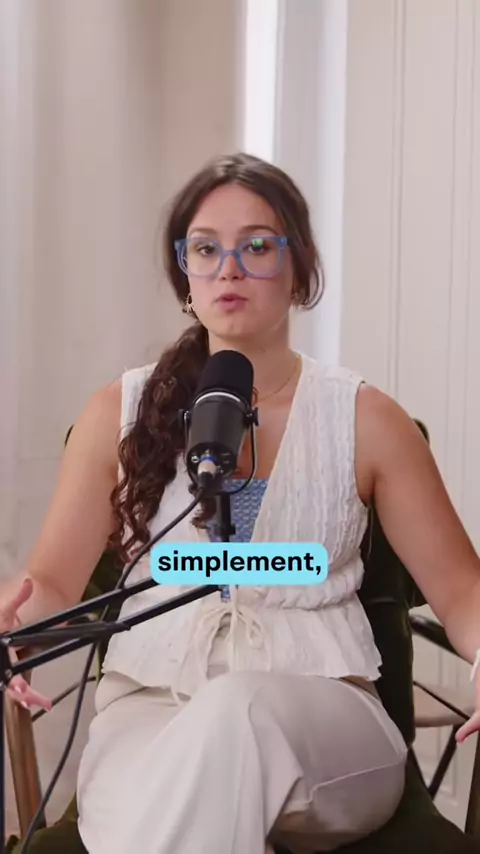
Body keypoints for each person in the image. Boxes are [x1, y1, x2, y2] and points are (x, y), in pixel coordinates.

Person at [2, 152, 480, 854]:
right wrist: (16, 628)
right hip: (148, 721)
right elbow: (48, 584)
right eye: (206, 249)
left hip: (326, 729)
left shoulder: (369, 421)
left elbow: (463, 591)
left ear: (300, 270)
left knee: (235, 711)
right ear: (185, 276)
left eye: (257, 247)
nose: (228, 269)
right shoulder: (117, 414)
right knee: (178, 791)